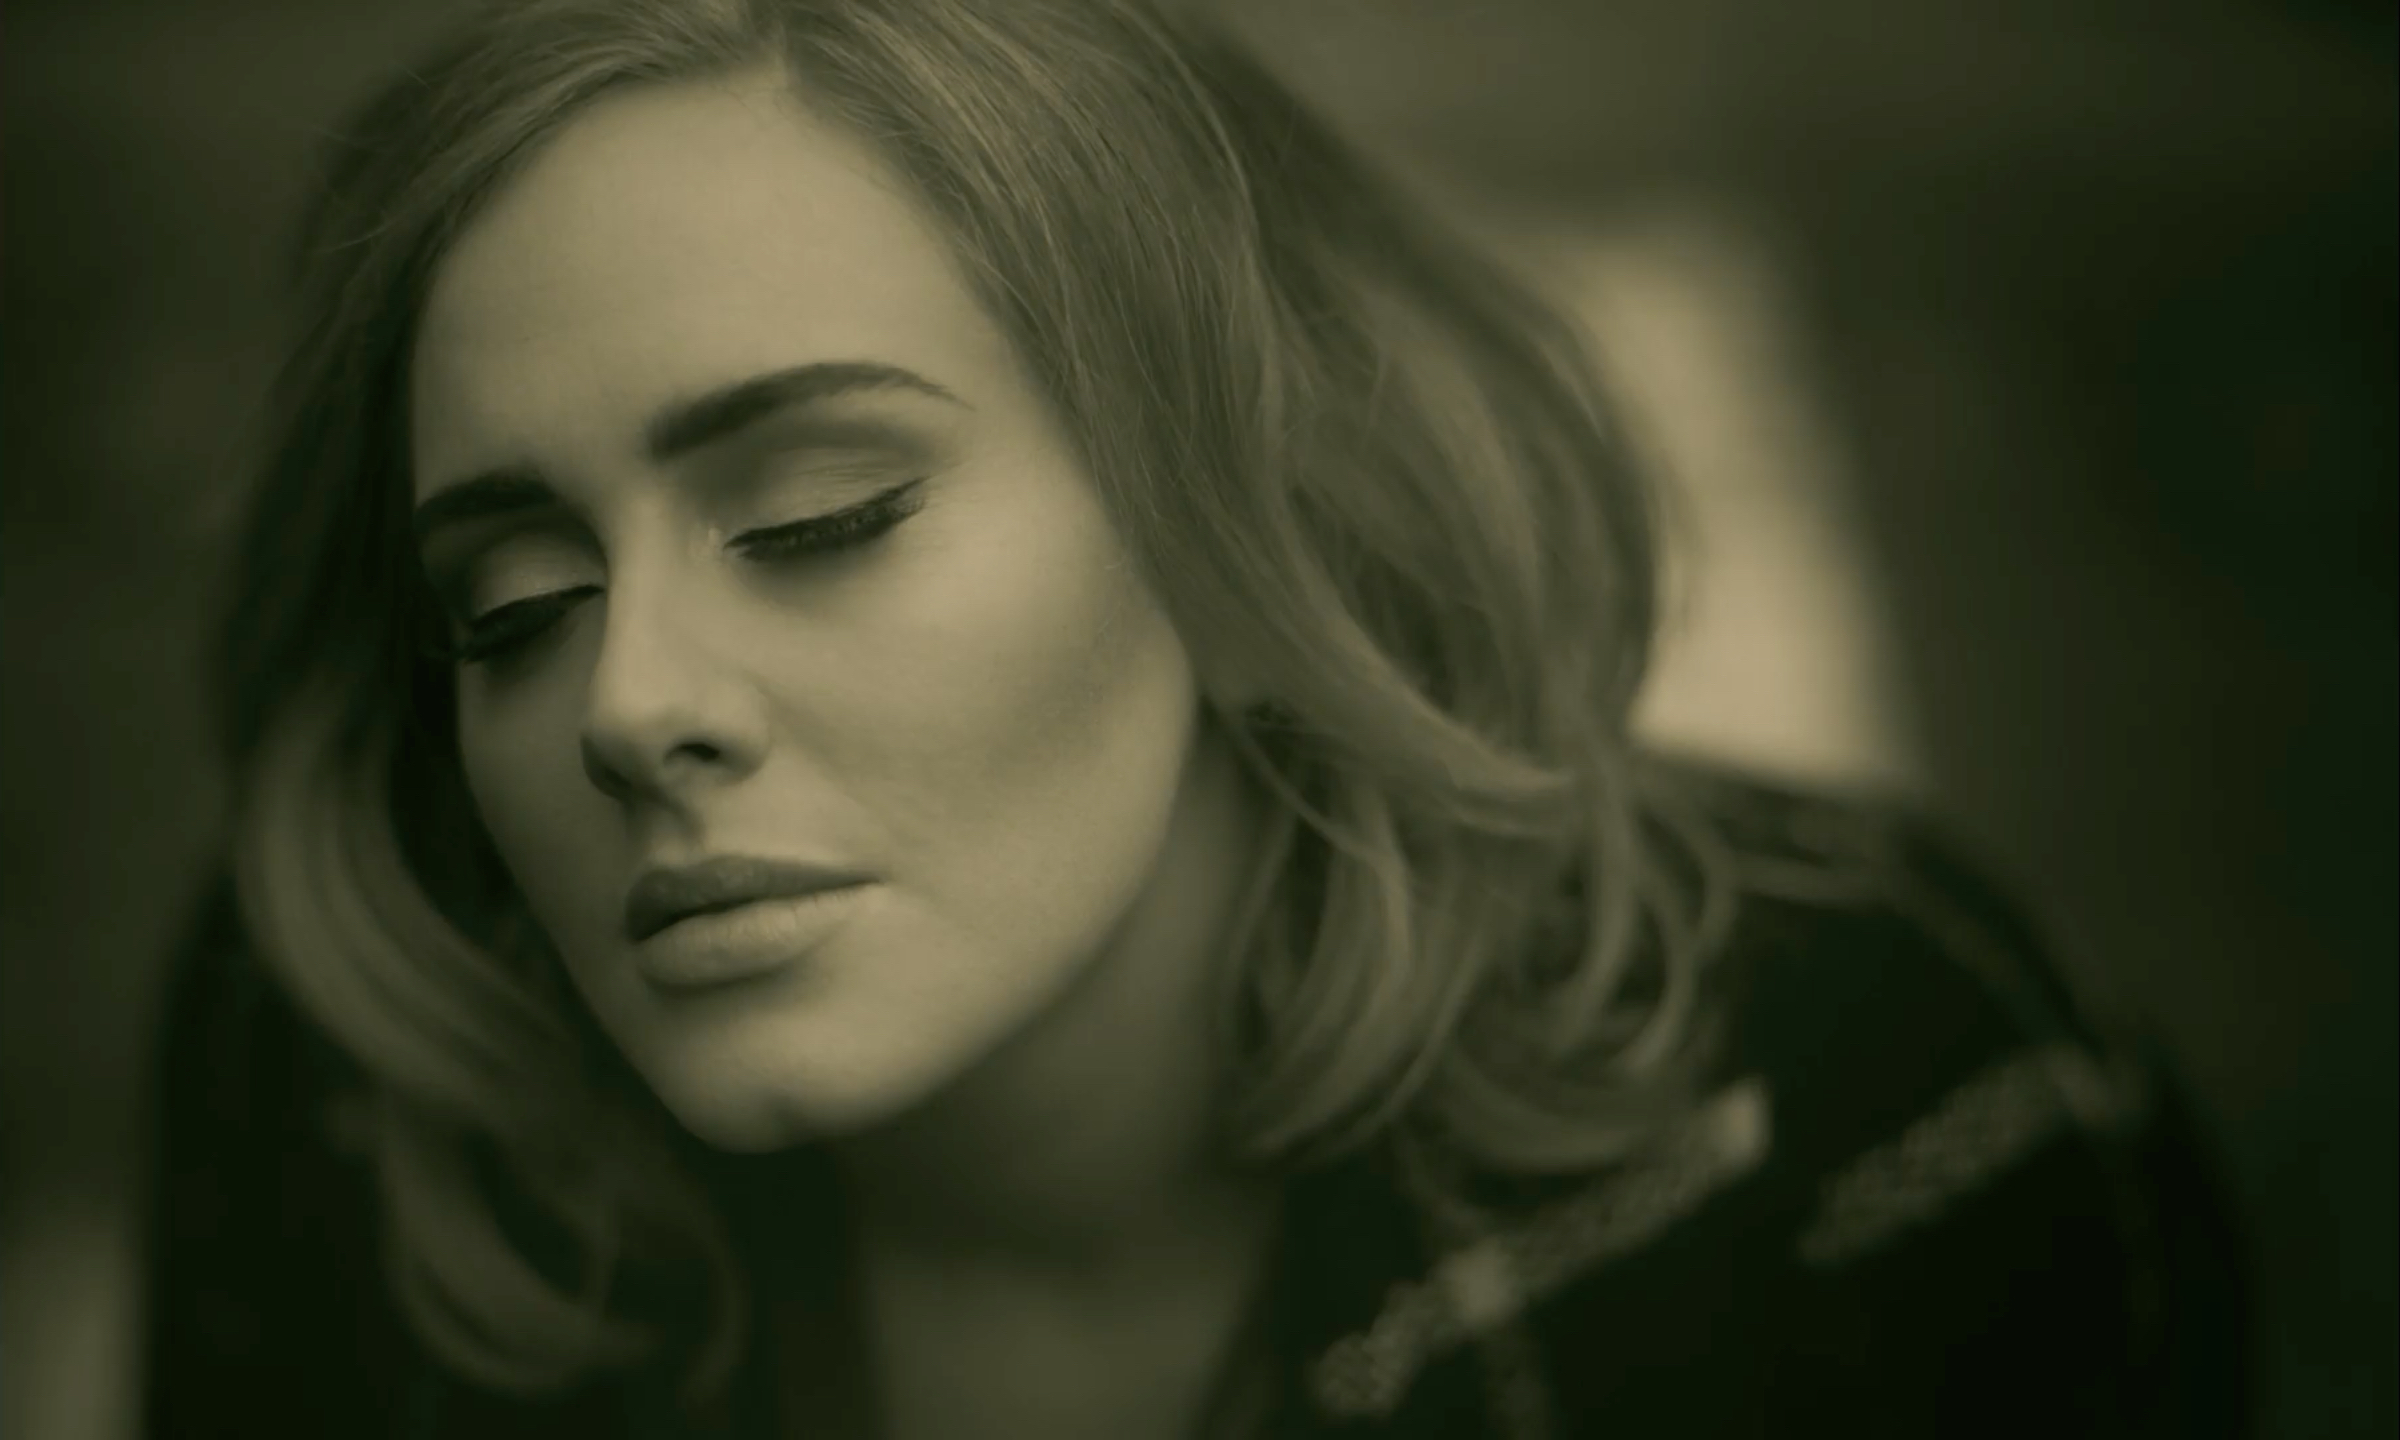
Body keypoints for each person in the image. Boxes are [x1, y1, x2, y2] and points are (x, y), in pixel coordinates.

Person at [141, 1, 2251, 1436]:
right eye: (510, 609)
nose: (629, 703)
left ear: (1252, 546)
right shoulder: (350, 1094)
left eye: (818, 516)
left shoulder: (1861, 1094)